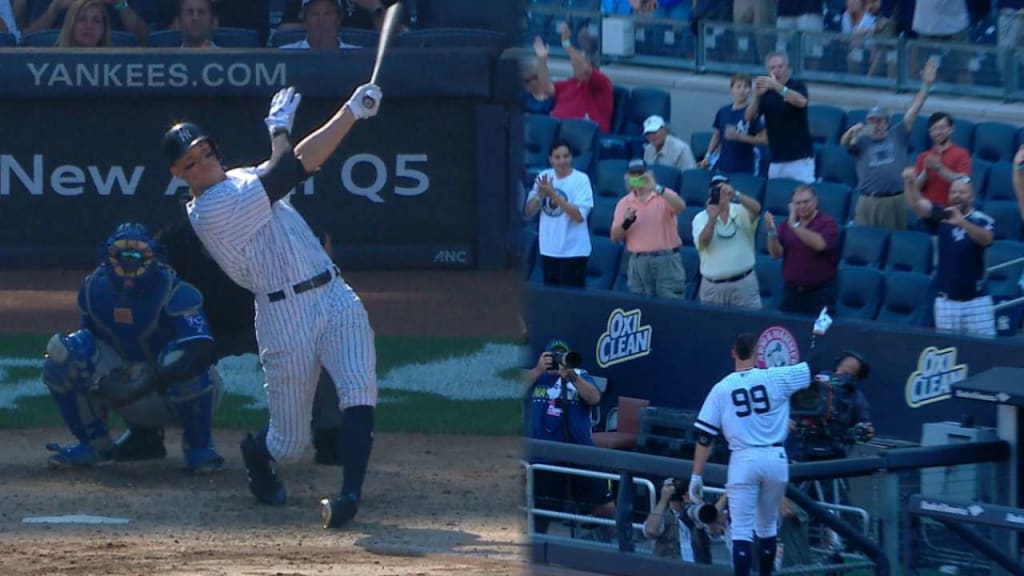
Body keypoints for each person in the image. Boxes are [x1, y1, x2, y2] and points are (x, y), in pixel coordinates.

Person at [162, 81, 382, 528]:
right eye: (192, 162)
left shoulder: (241, 178)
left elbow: (304, 161)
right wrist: (278, 128)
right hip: (284, 315)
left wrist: (350, 111)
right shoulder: (209, 211)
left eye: (205, 152)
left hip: (334, 294)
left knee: (359, 390)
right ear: (179, 174)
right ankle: (256, 453)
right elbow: (286, 171)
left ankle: (350, 497)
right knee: (289, 444)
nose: (204, 163)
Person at [156, 197, 345, 466]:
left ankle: (331, 435)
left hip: (269, 324)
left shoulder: (276, 237)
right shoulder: (176, 240)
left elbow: (321, 253)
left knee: (320, 339)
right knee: (148, 339)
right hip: (203, 331)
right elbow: (150, 287)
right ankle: (146, 434)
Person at [42, 223, 225, 474]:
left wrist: (148, 380)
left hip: (168, 389)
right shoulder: (93, 289)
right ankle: (95, 445)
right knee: (63, 355)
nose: (130, 266)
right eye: (122, 257)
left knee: (181, 356)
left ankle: (199, 447)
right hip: (123, 386)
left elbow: (200, 352)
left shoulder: (178, 292)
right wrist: (107, 382)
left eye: (138, 257)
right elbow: (87, 344)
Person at [689, 310, 834, 576]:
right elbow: (814, 366)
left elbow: (705, 436)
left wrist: (696, 475)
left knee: (742, 529)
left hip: (743, 459)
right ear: (757, 353)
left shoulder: (722, 388)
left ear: (733, 352)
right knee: (767, 527)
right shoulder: (774, 377)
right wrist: (818, 334)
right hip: (775, 460)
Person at [524, 342, 614, 535]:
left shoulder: (580, 375)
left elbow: (594, 398)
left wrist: (572, 376)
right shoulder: (537, 376)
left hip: (579, 452)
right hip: (545, 456)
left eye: (562, 356)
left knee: (605, 507)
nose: (558, 361)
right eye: (553, 356)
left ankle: (610, 543)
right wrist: (538, 370)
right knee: (541, 513)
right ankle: (539, 551)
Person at [841, 59, 938, 230]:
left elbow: (913, 111)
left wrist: (926, 86)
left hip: (895, 200)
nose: (876, 124)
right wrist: (851, 132)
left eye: (880, 120)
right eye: (872, 120)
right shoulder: (862, 140)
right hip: (868, 200)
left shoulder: (897, 134)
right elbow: (845, 144)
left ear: (887, 123)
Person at [903, 168, 996, 337]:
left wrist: (962, 223)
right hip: (946, 302)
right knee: (950, 351)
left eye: (962, 192)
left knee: (986, 351)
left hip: (976, 302)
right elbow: (917, 204)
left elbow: (987, 239)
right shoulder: (943, 216)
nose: (957, 195)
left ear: (972, 196)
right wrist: (910, 182)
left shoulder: (982, 219)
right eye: (953, 192)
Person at [610, 159, 687, 298]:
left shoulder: (664, 194)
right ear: (627, 178)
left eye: (641, 173)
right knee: (641, 309)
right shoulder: (624, 203)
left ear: (649, 174)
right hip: (639, 262)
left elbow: (681, 207)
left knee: (672, 307)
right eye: (633, 174)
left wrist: (656, 187)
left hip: (666, 260)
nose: (637, 178)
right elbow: (614, 237)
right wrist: (626, 222)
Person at [524, 139, 594, 287]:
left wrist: (553, 194)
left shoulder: (581, 180)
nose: (562, 161)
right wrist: (541, 195)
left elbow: (579, 216)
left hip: (574, 252)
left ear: (571, 157)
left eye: (566, 156)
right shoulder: (543, 177)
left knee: (572, 303)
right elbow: (528, 213)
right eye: (557, 157)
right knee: (552, 302)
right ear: (550, 159)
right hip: (549, 250)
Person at [765, 185, 840, 317]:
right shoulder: (786, 225)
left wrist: (795, 225)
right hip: (791, 293)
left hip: (819, 294)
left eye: (806, 201)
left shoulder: (827, 223)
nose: (802, 206)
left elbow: (820, 245)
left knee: (819, 335)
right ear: (792, 205)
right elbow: (775, 254)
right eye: (798, 203)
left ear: (815, 202)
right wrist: (771, 231)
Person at [692, 174, 763, 309]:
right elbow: (703, 243)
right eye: (716, 189)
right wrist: (712, 218)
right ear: (709, 192)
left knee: (749, 327)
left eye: (723, 188)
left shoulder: (741, 210)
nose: (720, 192)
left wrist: (736, 194)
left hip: (744, 284)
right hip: (712, 287)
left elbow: (757, 209)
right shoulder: (700, 218)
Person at [789, 350, 875, 462]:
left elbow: (866, 426)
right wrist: (786, 420)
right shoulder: (812, 383)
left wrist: (865, 431)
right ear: (838, 365)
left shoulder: (854, 395)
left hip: (835, 456)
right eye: (844, 368)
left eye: (849, 373)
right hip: (803, 451)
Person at [746, 52, 814, 183]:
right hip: (777, 160)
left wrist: (777, 86)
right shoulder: (766, 93)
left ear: (787, 68)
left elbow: (801, 102)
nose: (776, 70)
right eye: (772, 68)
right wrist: (756, 95)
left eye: (780, 66)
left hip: (800, 159)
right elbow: (749, 117)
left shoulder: (797, 85)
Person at [543, 22, 613, 133]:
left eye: (579, 59)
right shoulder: (569, 83)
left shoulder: (602, 83)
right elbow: (546, 88)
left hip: (585, 137)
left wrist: (567, 44)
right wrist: (542, 60)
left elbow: (584, 72)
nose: (574, 62)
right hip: (556, 133)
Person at [700, 74, 766, 175]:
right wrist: (708, 155)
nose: (742, 91)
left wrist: (740, 137)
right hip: (723, 166)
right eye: (738, 87)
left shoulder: (753, 112)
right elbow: (717, 135)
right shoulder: (723, 111)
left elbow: (763, 140)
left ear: (750, 90)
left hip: (745, 168)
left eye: (746, 87)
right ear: (732, 90)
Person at [644, 477, 713, 564]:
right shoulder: (664, 515)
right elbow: (651, 531)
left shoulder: (699, 513)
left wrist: (697, 502)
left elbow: (714, 531)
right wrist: (663, 499)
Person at [28, 0, 151, 46]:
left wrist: (120, 4)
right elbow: (27, 40)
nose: (89, 26)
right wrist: (54, 9)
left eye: (97, 21)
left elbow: (145, 40)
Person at [913, 112, 971, 208]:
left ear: (951, 129)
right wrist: (926, 172)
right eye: (934, 129)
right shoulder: (923, 156)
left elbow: (964, 182)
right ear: (930, 132)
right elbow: (916, 188)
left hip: (951, 210)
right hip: (927, 210)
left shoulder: (962, 154)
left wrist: (939, 168)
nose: (938, 132)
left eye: (942, 128)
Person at [279, 0, 359, 50]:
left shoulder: (359, 55)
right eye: (315, 14)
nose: (321, 20)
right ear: (305, 20)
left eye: (328, 14)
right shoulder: (285, 54)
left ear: (339, 18)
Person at [278, 0, 398, 31]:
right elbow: (284, 31)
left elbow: (402, 37)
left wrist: (374, 7)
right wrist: (322, 22)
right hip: (315, 56)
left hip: (369, 60)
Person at [521, 36, 555, 115]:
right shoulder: (522, 97)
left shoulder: (552, 98)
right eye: (523, 80)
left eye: (527, 81)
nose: (524, 84)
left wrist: (542, 59)